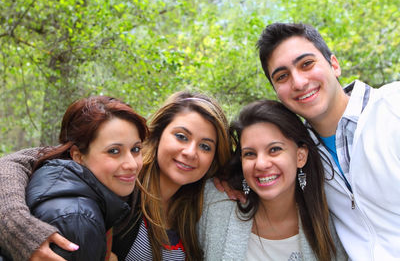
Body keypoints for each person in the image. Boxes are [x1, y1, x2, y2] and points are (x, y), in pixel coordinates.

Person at [0, 91, 231, 261]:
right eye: (181, 136)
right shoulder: (121, 180)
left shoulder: (203, 206)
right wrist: (18, 228)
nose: (190, 152)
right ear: (157, 135)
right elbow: (19, 162)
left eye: (206, 147)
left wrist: (239, 182)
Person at [255, 23, 400, 260]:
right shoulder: (298, 154)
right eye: (282, 76)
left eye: (307, 64)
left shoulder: (393, 107)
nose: (299, 82)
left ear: (334, 65)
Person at [1, 95, 149, 261]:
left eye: (136, 149)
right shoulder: (76, 220)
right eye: (114, 151)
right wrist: (15, 225)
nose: (132, 164)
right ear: (78, 156)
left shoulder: (61, 176)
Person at [198, 100, 346, 260]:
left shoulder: (333, 218)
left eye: (274, 150)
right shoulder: (213, 204)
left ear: (300, 156)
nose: (261, 164)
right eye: (249, 154)